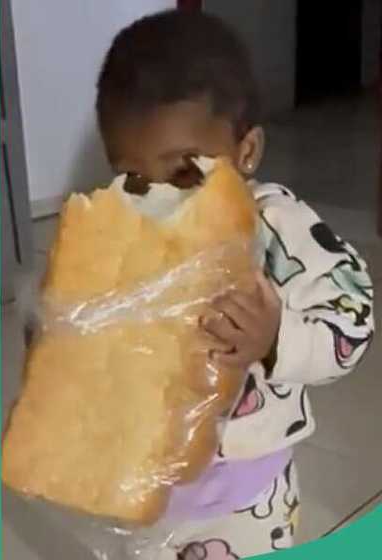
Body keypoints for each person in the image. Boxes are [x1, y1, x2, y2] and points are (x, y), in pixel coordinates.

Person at [94, 10, 374, 558]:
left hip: (247, 497)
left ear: (246, 152)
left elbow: (351, 320)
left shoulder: (279, 228)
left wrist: (278, 338)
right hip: (146, 481)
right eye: (131, 178)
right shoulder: (118, 229)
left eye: (183, 173)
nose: (158, 200)